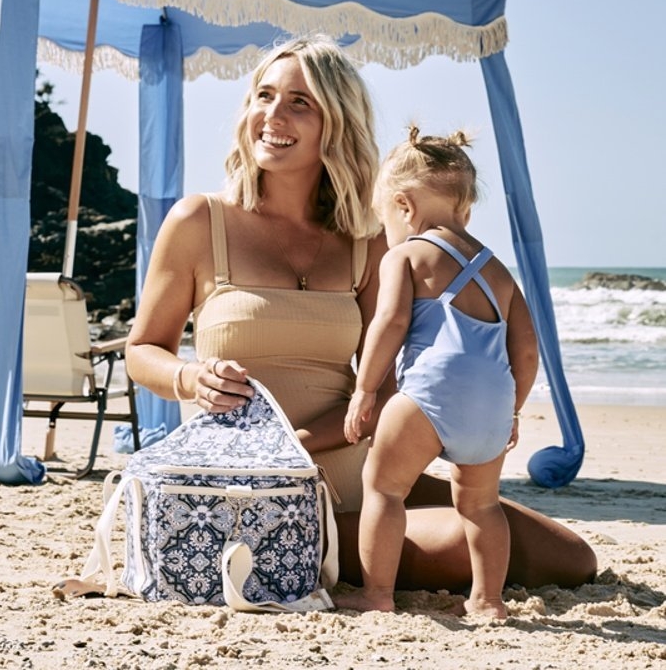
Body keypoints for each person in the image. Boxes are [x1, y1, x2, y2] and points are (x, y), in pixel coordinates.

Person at [125, 33, 597, 599]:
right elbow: (142, 351)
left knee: (569, 555)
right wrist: (189, 377)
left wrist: (301, 443)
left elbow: (392, 383)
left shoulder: (369, 242)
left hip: (362, 473)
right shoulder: (199, 221)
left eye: (300, 102)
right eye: (264, 96)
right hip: (258, 485)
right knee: (466, 543)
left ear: (336, 123)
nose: (273, 115)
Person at [338, 127, 538, 618]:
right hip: (491, 404)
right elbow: (526, 351)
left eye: (384, 219)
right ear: (464, 209)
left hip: (428, 393)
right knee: (482, 505)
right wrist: (512, 410)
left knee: (384, 488)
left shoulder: (406, 255)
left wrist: (365, 389)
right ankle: (487, 599)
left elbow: (390, 323)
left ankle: (376, 595)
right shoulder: (499, 272)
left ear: (404, 207)